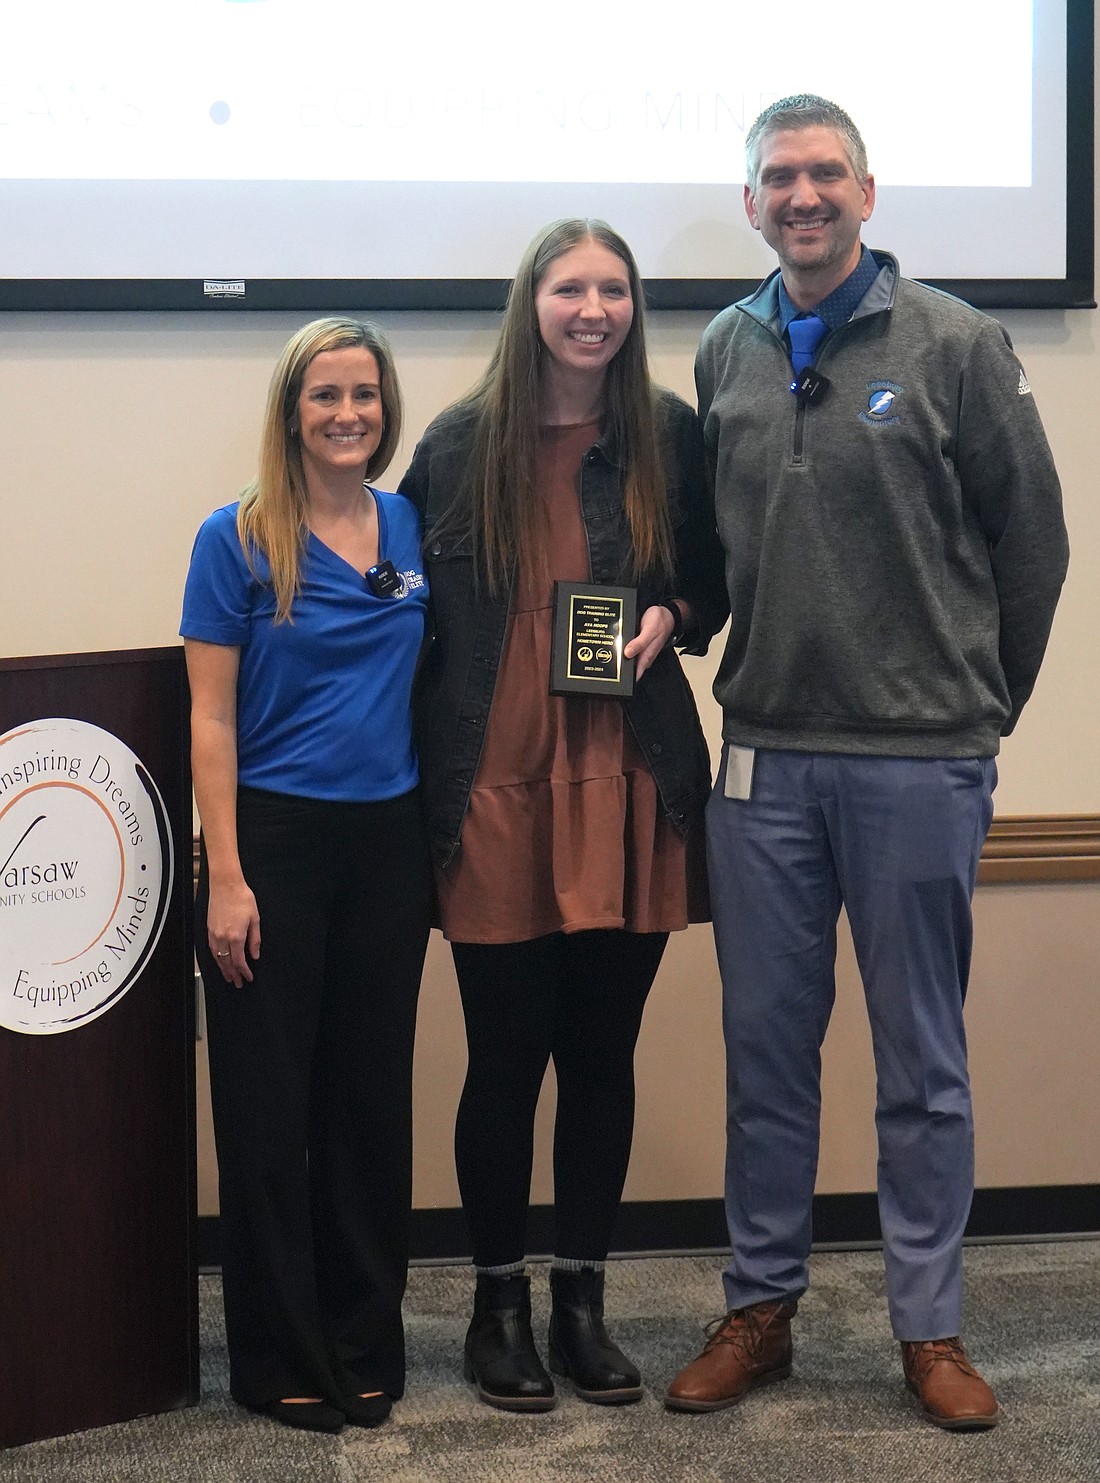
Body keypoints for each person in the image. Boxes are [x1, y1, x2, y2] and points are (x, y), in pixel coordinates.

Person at [665, 95, 1069, 1430]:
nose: (803, 194)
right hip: (764, 761)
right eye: (778, 176)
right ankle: (762, 1303)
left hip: (918, 764)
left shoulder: (954, 342)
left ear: (869, 191)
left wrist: (977, 709)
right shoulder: (725, 349)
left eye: (824, 172)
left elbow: (1033, 548)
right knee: (765, 1051)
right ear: (750, 204)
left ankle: (930, 1324)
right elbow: (716, 558)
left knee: (922, 1061)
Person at [400, 218, 727, 1413]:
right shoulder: (453, 443)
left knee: (600, 1057)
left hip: (627, 773)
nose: (592, 308)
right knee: (503, 1059)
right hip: (495, 782)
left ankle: (579, 1301)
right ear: (527, 300)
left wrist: (674, 614)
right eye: (568, 287)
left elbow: (714, 577)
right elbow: (407, 619)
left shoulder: (668, 436)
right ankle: (497, 1308)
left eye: (612, 289)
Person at [181, 317, 431, 1434]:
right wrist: (223, 877)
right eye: (324, 395)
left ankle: (363, 1337)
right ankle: (278, 1352)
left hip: (389, 847)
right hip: (271, 848)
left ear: (387, 409)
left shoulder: (407, 520)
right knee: (269, 1114)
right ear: (291, 411)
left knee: (369, 1105)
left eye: (364, 395)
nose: (347, 414)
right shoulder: (233, 537)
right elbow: (210, 716)